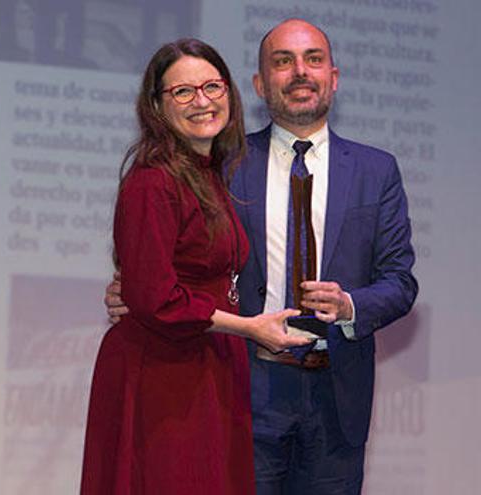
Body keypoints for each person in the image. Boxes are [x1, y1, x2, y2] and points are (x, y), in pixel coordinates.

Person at [106, 19, 417, 494]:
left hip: (338, 394)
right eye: (282, 61)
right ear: (256, 84)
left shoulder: (377, 171)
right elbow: (178, 252)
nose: (299, 72)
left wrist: (351, 305)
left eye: (313, 59)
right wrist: (133, 290)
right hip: (242, 388)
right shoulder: (220, 164)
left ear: (334, 77)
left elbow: (400, 281)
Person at [80, 38, 311, 495]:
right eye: (183, 92)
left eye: (212, 86)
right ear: (156, 106)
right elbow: (156, 298)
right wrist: (248, 327)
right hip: (163, 373)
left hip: (205, 365)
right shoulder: (153, 181)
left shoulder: (209, 172)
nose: (202, 101)